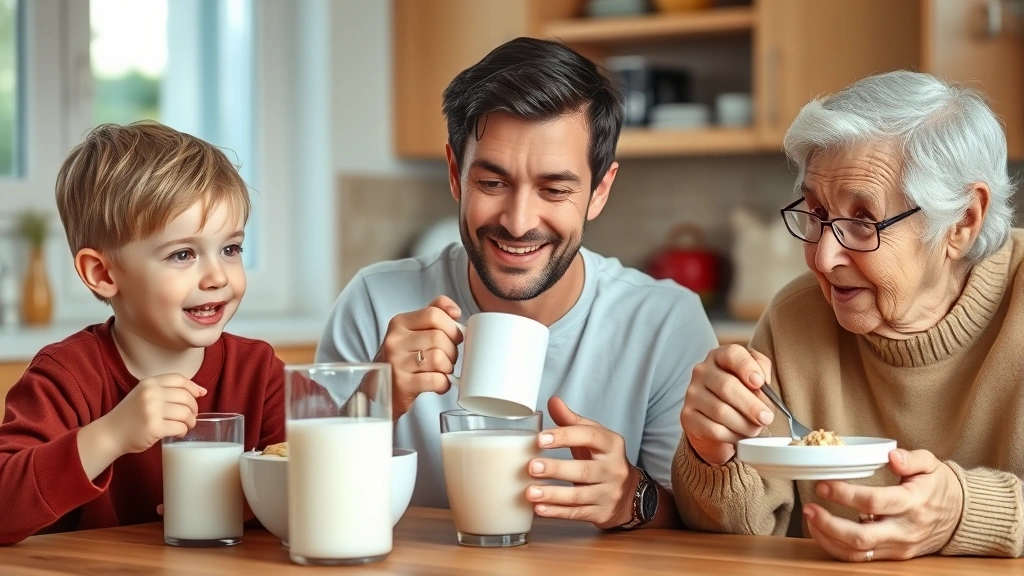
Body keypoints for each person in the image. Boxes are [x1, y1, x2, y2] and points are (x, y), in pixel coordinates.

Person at [316, 37, 717, 531]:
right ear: (455, 175)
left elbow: (699, 529)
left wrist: (631, 499)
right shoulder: (375, 304)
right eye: (492, 183)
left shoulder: (665, 323)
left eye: (554, 189)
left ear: (599, 192)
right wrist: (373, 402)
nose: (519, 221)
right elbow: (313, 499)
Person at [672, 70, 1024, 560]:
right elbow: (741, 541)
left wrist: (965, 513)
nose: (823, 258)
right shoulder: (797, 318)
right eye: (816, 216)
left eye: (863, 221)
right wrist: (714, 455)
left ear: (962, 220)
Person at [0, 121, 285, 545]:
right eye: (183, 254)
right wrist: (112, 434)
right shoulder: (65, 376)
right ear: (102, 273)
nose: (217, 277)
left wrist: (247, 500)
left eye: (231, 249)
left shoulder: (259, 371)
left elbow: (307, 485)